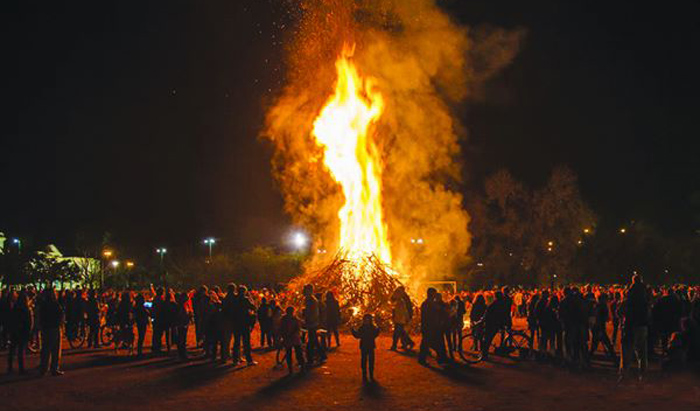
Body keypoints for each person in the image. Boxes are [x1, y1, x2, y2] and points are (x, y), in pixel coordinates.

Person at [619, 274, 650, 381]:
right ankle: (643, 375)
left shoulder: (629, 295)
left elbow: (619, 312)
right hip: (642, 326)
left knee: (626, 351)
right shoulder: (645, 298)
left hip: (630, 326)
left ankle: (624, 375)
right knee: (642, 352)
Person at [418, 287, 448, 365]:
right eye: (434, 294)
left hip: (428, 327)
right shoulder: (429, 304)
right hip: (430, 327)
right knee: (434, 343)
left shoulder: (426, 303)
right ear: (432, 294)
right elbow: (437, 311)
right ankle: (440, 359)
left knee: (426, 344)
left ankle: (423, 359)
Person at [39, 288, 65, 376]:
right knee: (55, 350)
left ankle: (44, 368)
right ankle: (54, 368)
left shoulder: (43, 304)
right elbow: (60, 315)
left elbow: (41, 317)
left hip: (46, 329)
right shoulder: (55, 304)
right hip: (54, 328)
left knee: (46, 349)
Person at [8, 290, 32, 374]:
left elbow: (10, 320)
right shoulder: (26, 309)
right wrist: (29, 333)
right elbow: (29, 322)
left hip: (15, 331)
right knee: (21, 350)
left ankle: (10, 367)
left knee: (12, 350)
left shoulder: (15, 308)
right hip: (22, 332)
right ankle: (21, 368)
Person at [352, 313, 380, 383]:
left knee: (371, 361)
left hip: (370, 346)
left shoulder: (372, 328)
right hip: (364, 346)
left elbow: (375, 334)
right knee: (364, 360)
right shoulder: (363, 328)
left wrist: (378, 329)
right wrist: (353, 331)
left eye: (368, 320)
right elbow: (358, 335)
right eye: (366, 320)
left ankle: (371, 374)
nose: (367, 321)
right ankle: (364, 374)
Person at [232, 285, 256, 365]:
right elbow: (253, 307)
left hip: (235, 322)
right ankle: (249, 360)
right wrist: (250, 298)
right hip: (244, 323)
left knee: (236, 342)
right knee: (246, 342)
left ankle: (236, 359)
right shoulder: (245, 300)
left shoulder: (234, 299)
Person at [303, 284, 326, 364]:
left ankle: (311, 358)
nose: (304, 292)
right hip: (311, 323)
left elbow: (314, 313)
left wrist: (309, 321)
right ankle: (321, 356)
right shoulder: (309, 299)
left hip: (312, 323)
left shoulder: (312, 300)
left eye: (306, 290)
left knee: (311, 342)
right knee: (314, 341)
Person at [279, 306, 305, 375]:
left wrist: (283, 336)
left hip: (288, 339)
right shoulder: (295, 319)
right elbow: (298, 327)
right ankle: (302, 366)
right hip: (294, 338)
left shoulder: (283, 319)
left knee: (289, 353)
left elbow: (281, 329)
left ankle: (290, 368)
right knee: (298, 352)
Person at [390, 286, 414, 350]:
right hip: (399, 320)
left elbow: (405, 311)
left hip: (400, 320)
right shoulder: (399, 301)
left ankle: (394, 346)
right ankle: (407, 343)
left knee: (397, 333)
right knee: (401, 332)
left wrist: (407, 318)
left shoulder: (402, 301)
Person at [175, 293, 189, 360]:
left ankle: (182, 353)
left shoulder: (183, 305)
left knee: (182, 339)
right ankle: (182, 354)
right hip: (182, 324)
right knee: (181, 339)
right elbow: (180, 315)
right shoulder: (181, 305)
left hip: (183, 324)